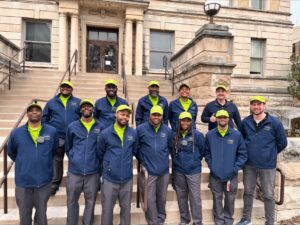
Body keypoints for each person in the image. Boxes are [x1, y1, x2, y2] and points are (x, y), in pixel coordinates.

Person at [237, 96, 287, 225]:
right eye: (253, 104)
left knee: (269, 195)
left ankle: (269, 222)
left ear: (264, 105)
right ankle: (246, 218)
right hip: (249, 165)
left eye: (259, 104)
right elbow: (241, 141)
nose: (256, 107)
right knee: (248, 192)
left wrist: (269, 153)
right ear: (251, 106)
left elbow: (282, 142)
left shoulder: (275, 123)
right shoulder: (245, 122)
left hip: (267, 166)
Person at [8, 102, 58, 225]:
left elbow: (53, 150)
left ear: (42, 113)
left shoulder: (51, 131)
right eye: (31, 110)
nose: (34, 112)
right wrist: (26, 163)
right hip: (23, 183)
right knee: (24, 216)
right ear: (27, 114)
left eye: (37, 110)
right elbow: (12, 152)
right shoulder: (16, 133)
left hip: (43, 182)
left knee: (41, 216)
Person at [205, 109, 247, 225]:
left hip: (231, 175)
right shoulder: (210, 135)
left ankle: (228, 220)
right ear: (217, 119)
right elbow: (207, 153)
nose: (222, 119)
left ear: (228, 119)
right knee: (217, 198)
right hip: (215, 174)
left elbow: (243, 154)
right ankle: (218, 220)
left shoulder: (236, 135)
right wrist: (212, 166)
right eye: (220, 117)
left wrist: (235, 168)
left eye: (224, 117)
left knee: (230, 199)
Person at [98, 104, 138, 225]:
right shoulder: (105, 133)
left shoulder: (133, 133)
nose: (124, 117)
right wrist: (109, 167)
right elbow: (100, 153)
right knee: (107, 210)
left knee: (126, 210)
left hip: (127, 179)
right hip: (110, 179)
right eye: (122, 114)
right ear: (116, 114)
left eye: (127, 115)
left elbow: (135, 150)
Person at [65, 99, 102, 225]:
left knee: (90, 201)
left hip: (93, 172)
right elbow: (68, 147)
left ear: (93, 109)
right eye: (84, 106)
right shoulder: (72, 126)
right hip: (75, 171)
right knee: (71, 200)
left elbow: (102, 149)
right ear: (80, 110)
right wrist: (75, 159)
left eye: (89, 106)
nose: (86, 108)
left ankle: (87, 222)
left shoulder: (100, 126)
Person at [43, 80, 81, 195]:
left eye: (68, 87)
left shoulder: (78, 102)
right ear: (60, 88)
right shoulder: (51, 102)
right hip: (58, 136)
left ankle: (74, 182)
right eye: (63, 86)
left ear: (71, 89)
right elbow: (44, 119)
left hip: (73, 137)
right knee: (57, 159)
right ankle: (55, 183)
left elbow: (83, 117)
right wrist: (50, 131)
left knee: (74, 159)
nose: (65, 88)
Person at [137, 105, 173, 225]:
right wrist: (143, 160)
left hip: (163, 171)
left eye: (159, 115)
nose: (156, 117)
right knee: (149, 198)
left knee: (161, 197)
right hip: (149, 170)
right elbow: (136, 148)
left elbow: (170, 147)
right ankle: (153, 221)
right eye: (154, 114)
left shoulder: (167, 130)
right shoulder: (141, 129)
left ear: (162, 116)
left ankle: (161, 218)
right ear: (149, 115)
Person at [172, 111, 205, 225]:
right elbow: (172, 151)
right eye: (183, 120)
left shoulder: (198, 135)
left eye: (187, 120)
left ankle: (197, 221)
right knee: (181, 196)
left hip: (193, 171)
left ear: (191, 122)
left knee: (195, 197)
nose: (185, 122)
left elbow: (202, 151)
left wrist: (193, 161)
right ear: (179, 121)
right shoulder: (175, 135)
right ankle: (184, 220)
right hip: (178, 171)